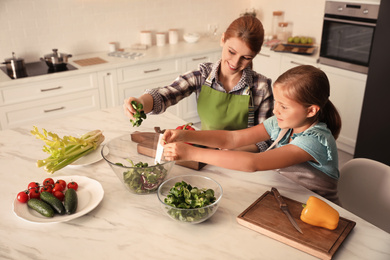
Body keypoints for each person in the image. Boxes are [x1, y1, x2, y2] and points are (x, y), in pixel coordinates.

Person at [162, 65, 342, 204]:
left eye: (284, 106)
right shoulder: (282, 123)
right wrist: (184, 135)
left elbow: (253, 163)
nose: (276, 110)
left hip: (322, 209)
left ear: (311, 111)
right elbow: (232, 138)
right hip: (291, 200)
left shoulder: (315, 141)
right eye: (276, 102)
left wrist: (191, 153)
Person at [123, 15, 273, 152]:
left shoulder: (261, 87)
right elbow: (165, 95)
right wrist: (140, 102)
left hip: (243, 159)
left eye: (246, 57)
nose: (235, 62)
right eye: (231, 52)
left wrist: (231, 152)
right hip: (204, 152)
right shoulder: (202, 75)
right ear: (222, 40)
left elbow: (265, 140)